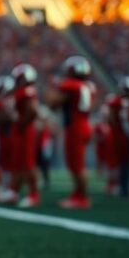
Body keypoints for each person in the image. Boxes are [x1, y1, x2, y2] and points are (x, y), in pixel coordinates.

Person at [47, 56, 95, 208]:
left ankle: (81, 198)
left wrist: (53, 90)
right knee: (76, 164)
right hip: (84, 123)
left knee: (77, 165)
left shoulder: (70, 85)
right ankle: (78, 194)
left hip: (75, 126)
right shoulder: (88, 86)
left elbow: (53, 104)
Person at [6, 63, 40, 208]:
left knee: (27, 163)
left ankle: (33, 194)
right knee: (19, 162)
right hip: (21, 129)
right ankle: (14, 190)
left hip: (25, 130)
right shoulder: (23, 91)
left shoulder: (27, 91)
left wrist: (20, 123)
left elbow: (32, 111)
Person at [108, 76, 129, 198]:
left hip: (124, 136)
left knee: (126, 163)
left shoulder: (116, 101)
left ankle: (126, 188)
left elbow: (112, 120)